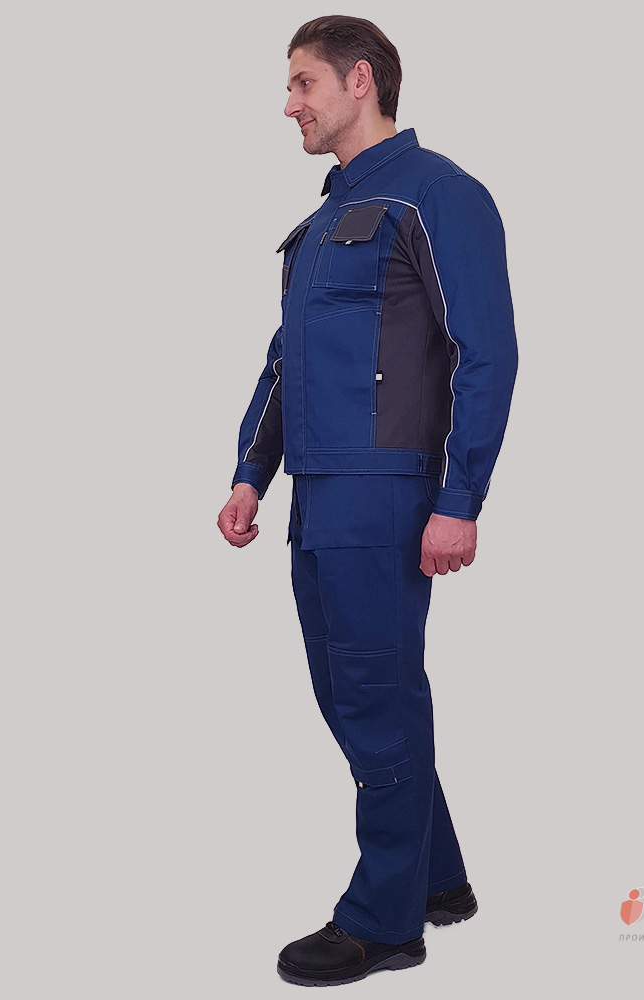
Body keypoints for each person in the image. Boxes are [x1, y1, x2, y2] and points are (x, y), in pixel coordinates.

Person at [216, 15, 517, 987]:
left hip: (385, 494)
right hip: (318, 498)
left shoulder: (439, 195)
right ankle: (436, 877)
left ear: (359, 81)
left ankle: (383, 922)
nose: (288, 105)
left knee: (375, 698)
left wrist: (460, 497)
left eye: (302, 83)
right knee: (354, 695)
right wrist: (250, 471)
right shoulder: (320, 224)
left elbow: (485, 353)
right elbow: (284, 361)